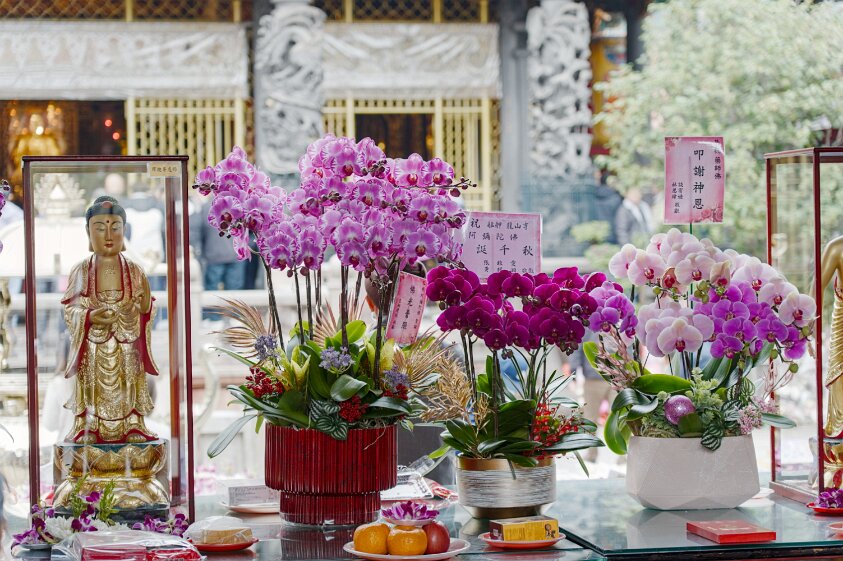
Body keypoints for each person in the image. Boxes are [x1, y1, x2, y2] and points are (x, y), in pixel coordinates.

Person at [62, 196, 159, 444]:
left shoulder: (135, 269)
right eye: (99, 228)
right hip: (94, 341)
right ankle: (88, 425)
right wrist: (88, 316)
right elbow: (69, 309)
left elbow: (147, 308)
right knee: (91, 369)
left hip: (128, 339)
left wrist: (145, 306)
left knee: (130, 367)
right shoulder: (81, 270)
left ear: (124, 231)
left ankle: (133, 424)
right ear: (88, 232)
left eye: (115, 227)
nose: (108, 234)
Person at [189, 198, 247, 321]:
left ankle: (213, 318)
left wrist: (199, 251)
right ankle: (233, 318)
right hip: (235, 254)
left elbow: (196, 230)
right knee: (234, 290)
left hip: (213, 254)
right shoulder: (237, 203)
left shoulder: (206, 207)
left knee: (212, 290)